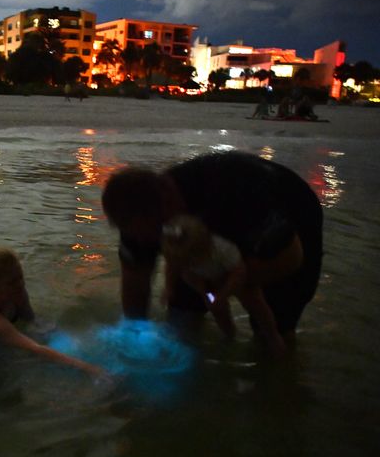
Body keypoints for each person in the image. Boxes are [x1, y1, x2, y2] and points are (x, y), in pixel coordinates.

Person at [101, 151, 322, 355]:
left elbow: (290, 259)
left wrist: (222, 288)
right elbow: (135, 281)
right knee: (181, 324)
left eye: (148, 234)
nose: (141, 242)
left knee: (270, 331)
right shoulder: (137, 219)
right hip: (199, 247)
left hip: (291, 213)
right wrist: (133, 337)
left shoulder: (232, 192)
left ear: (168, 205)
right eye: (133, 234)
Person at [0, 247, 107, 377]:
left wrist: (73, 340)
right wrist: (90, 369)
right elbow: (35, 349)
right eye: (12, 282)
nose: (20, 284)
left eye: (20, 277)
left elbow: (31, 321)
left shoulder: (16, 291)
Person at [161, 215, 286, 355]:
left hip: (236, 277)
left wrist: (223, 294)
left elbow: (239, 272)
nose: (186, 264)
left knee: (255, 303)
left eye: (190, 261)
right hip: (207, 283)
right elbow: (172, 267)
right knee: (215, 307)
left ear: (204, 249)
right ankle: (229, 335)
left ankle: (272, 335)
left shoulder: (222, 249)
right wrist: (169, 288)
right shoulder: (178, 255)